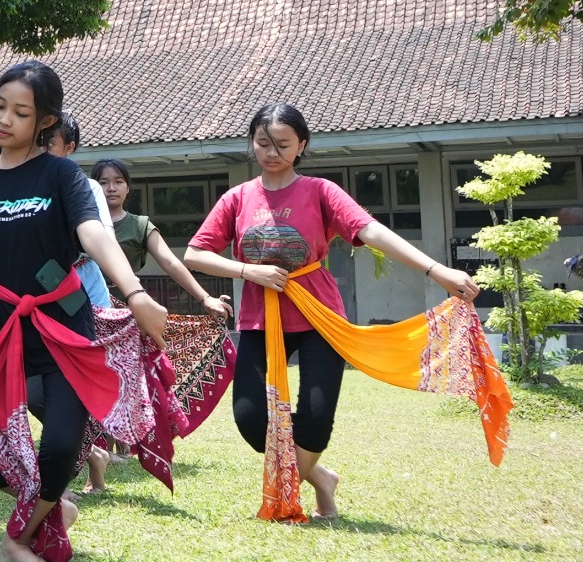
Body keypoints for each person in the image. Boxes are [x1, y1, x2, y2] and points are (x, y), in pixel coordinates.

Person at [184, 102, 483, 520]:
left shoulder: (320, 191)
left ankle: (296, 489)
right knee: (250, 418)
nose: (272, 152)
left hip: (318, 316)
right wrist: (247, 270)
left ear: (301, 145)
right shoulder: (238, 198)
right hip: (258, 319)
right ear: (252, 144)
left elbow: (372, 231)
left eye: (283, 144)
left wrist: (437, 270)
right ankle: (320, 477)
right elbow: (195, 254)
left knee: (316, 414)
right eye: (263, 143)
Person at [0, 61, 167, 562]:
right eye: (0, 107)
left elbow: (94, 235)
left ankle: (17, 539)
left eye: (21, 112)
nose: (5, 121)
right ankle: (45, 508)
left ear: (45, 120)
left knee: (63, 445)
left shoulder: (62, 175)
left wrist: (133, 293)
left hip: (63, 324)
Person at [73, 156, 234, 493]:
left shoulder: (139, 225)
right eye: (103, 182)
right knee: (84, 390)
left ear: (129, 187)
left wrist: (205, 298)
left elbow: (171, 261)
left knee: (121, 385)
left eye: (118, 181)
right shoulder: (80, 219)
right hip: (82, 314)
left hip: (128, 317)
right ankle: (97, 464)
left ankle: (115, 453)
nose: (111, 187)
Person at [47, 112, 114, 311]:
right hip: (40, 282)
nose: (41, 149)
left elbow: (106, 240)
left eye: (50, 142)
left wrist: (132, 288)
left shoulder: (89, 187)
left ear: (69, 148)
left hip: (85, 279)